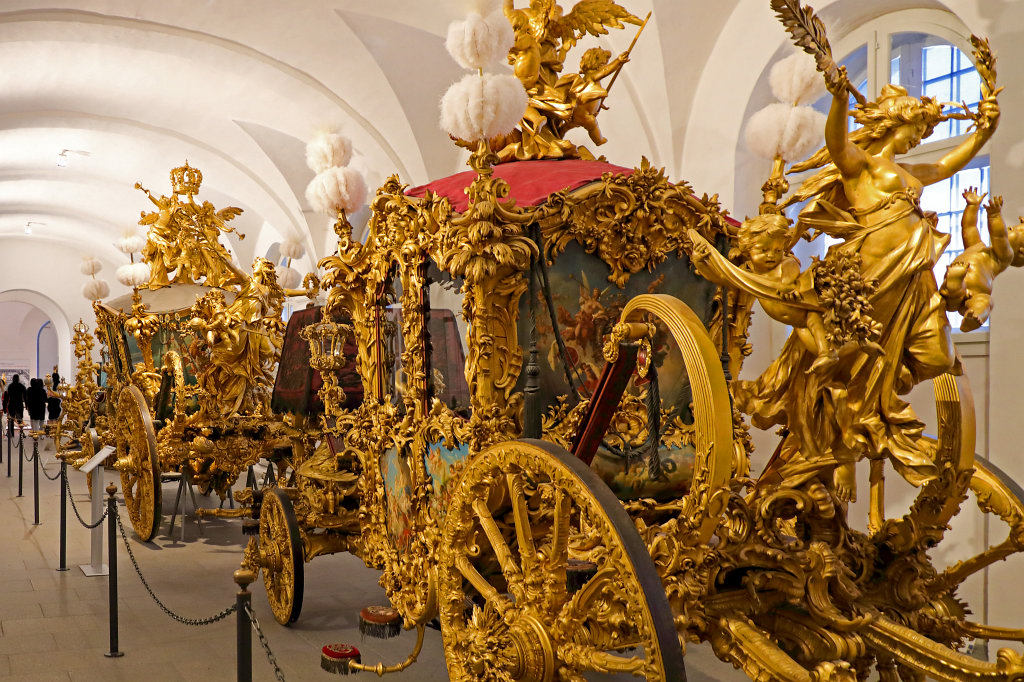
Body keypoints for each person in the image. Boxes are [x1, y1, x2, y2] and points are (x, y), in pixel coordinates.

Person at [742, 71, 999, 503]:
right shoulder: (860, 165)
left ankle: (877, 395)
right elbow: (836, 142)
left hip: (913, 279)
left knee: (937, 356)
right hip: (869, 278)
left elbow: (945, 166)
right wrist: (839, 100)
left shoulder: (907, 171)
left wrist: (983, 133)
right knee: (850, 362)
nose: (919, 139)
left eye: (924, 133)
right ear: (897, 123)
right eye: (917, 130)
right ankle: (846, 439)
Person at [940, 188, 1024, 332]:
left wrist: (995, 216)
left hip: (977, 292)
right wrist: (972, 206)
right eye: (1013, 227)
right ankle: (955, 282)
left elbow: (999, 236)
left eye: (1016, 231)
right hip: (957, 291)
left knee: (986, 301)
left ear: (1021, 251)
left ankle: (974, 316)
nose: (1010, 228)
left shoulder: (1005, 257)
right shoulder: (977, 246)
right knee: (954, 294)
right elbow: (969, 227)